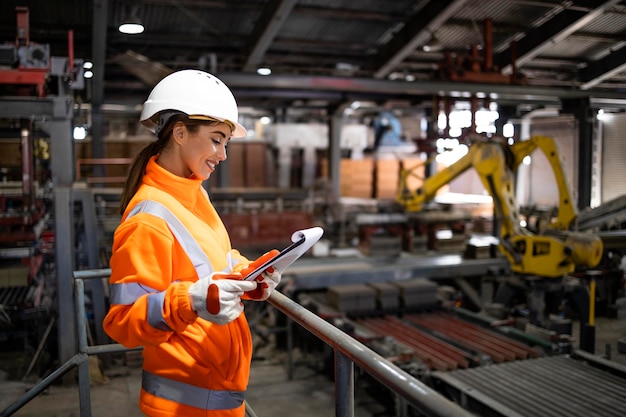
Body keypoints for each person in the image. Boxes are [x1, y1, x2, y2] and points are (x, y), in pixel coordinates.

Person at [103, 69, 281, 417]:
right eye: (216, 139)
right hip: (183, 406)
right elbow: (122, 322)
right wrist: (190, 301)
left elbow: (213, 261)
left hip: (217, 397)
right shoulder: (149, 218)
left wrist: (248, 274)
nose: (223, 154)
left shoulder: (194, 194)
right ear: (180, 132)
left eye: (226, 142)